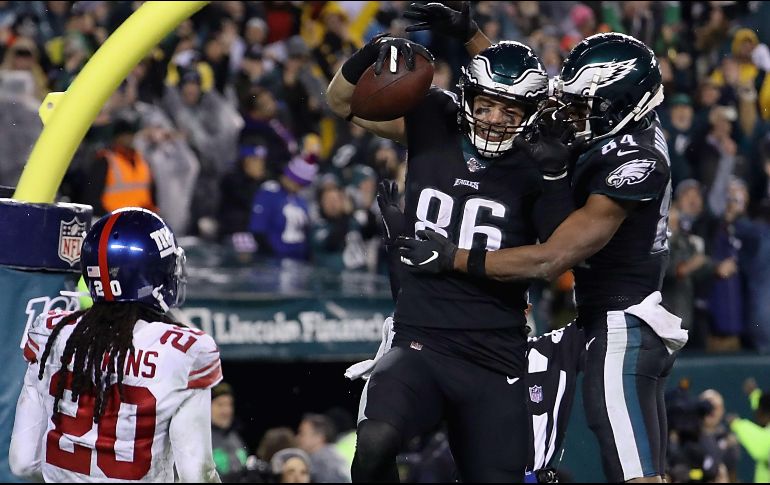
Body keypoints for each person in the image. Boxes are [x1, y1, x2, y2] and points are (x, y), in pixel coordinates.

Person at [397, 28, 686, 483]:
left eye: (584, 106)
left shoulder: (637, 161)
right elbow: (527, 92)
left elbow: (551, 259)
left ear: (619, 106)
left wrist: (454, 257)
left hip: (622, 324)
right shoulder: (617, 120)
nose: (569, 113)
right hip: (601, 321)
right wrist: (472, 36)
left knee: (635, 476)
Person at [327, 32, 573, 481]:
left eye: (510, 111)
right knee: (375, 443)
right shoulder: (434, 116)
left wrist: (556, 177)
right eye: (486, 105)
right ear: (467, 97)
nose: (494, 119)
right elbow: (341, 102)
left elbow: (556, 254)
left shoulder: (540, 161)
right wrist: (369, 53)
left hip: (494, 354)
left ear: (529, 114)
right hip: (421, 339)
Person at [9, 207, 221, 482]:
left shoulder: (52, 333)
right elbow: (197, 475)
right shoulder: (185, 351)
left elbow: (23, 462)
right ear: (153, 274)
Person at [210, 382, 249, 481]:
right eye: (220, 405)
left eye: (229, 404)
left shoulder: (236, 438)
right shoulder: (200, 440)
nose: (226, 411)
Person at [296, 413, 350, 483]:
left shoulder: (323, 461)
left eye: (302, 433)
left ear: (319, 437)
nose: (297, 438)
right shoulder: (330, 454)